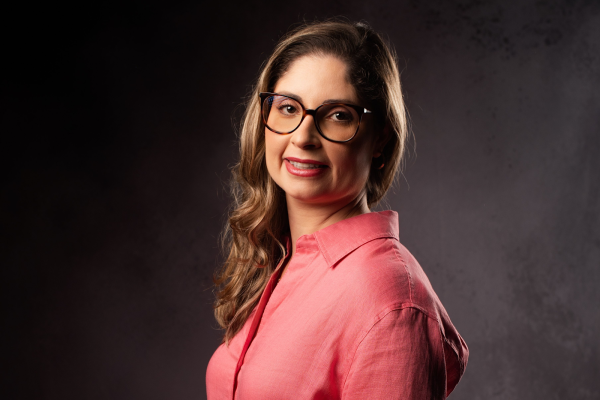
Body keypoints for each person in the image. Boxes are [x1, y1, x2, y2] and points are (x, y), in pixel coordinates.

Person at [206, 20, 468, 399]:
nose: (302, 137)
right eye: (288, 108)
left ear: (380, 139)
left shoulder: (390, 303)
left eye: (339, 115)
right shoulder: (281, 260)